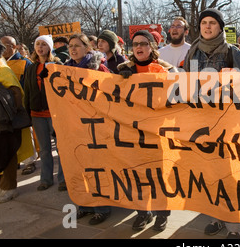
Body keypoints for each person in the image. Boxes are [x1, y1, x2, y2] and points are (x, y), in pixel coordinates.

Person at [183, 8, 240, 238]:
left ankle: (234, 227)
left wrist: (225, 91)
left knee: (229, 177)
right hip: (201, 126)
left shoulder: (233, 52)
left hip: (228, 126)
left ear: (220, 27)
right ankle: (216, 217)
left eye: (212, 23)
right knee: (210, 176)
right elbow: (184, 86)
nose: (207, 26)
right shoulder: (193, 53)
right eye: (204, 23)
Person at [118, 30, 175, 231]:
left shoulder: (166, 70)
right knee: (137, 175)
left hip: (157, 134)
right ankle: (143, 212)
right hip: (132, 134)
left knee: (159, 176)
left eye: (143, 43)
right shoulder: (122, 70)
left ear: (152, 46)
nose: (139, 47)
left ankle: (162, 214)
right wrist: (121, 80)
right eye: (135, 44)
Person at [63, 33, 112, 225]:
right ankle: (85, 205)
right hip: (74, 126)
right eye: (70, 46)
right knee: (79, 167)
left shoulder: (98, 68)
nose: (73, 49)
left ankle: (102, 208)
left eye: (77, 45)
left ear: (87, 48)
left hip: (95, 126)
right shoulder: (64, 70)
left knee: (97, 169)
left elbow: (109, 94)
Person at [24, 35, 66, 191]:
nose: (40, 47)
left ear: (50, 47)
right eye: (37, 44)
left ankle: (63, 178)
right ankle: (46, 179)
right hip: (37, 115)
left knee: (61, 148)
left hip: (54, 114)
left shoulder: (57, 65)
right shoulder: (31, 68)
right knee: (45, 149)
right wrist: (27, 112)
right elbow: (27, 91)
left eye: (43, 44)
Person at [1, 36, 37, 175]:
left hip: (20, 104)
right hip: (4, 107)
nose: (4, 48)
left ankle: (30, 162)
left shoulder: (25, 62)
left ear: (14, 47)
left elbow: (30, 86)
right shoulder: (0, 63)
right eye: (2, 45)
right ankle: (13, 161)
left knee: (25, 134)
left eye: (7, 45)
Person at [0, 40, 25, 203]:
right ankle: (0, 185)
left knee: (7, 154)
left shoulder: (3, 70)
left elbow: (16, 95)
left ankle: (9, 187)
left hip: (5, 122)